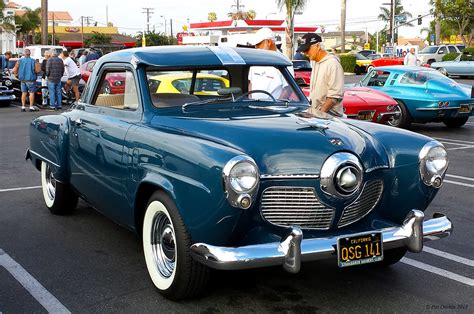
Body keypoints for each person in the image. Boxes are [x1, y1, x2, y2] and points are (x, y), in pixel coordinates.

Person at [296, 33, 344, 116]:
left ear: (317, 46)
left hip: (330, 117)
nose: (305, 53)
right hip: (317, 115)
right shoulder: (315, 62)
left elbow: (334, 96)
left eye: (307, 49)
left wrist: (320, 114)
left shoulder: (332, 63)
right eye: (303, 50)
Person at [247, 28, 294, 100]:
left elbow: (288, 88)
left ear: (269, 42)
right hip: (254, 108)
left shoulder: (283, 61)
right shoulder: (255, 61)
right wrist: (250, 101)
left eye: (259, 44)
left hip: (273, 109)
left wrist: (277, 106)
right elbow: (251, 83)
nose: (256, 47)